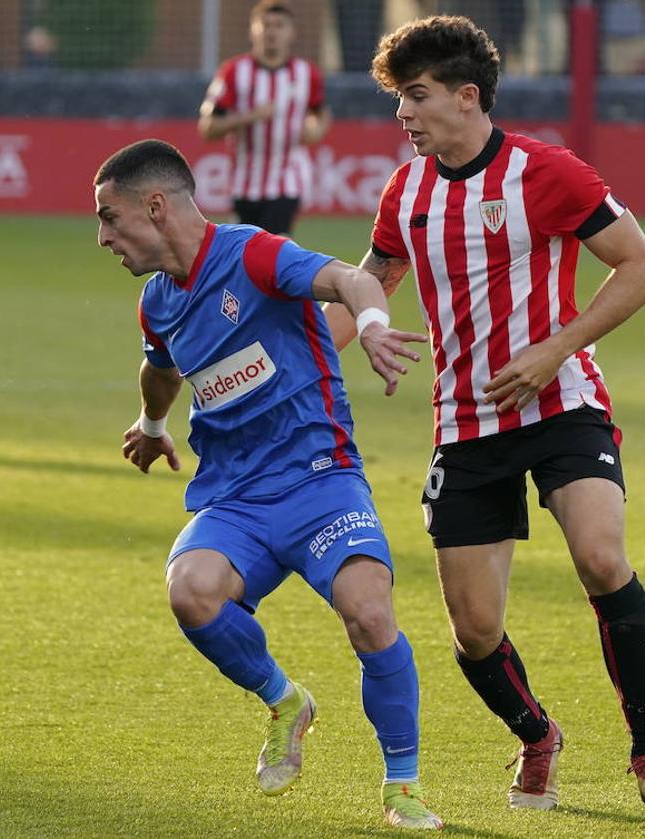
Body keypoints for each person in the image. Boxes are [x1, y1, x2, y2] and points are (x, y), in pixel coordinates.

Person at [323, 16, 645, 823]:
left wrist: (550, 350)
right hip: (465, 422)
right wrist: (330, 351)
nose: (404, 115)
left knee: (602, 556)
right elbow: (368, 285)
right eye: (398, 100)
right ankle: (537, 734)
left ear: (468, 97)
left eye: (416, 97)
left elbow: (643, 268)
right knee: (474, 629)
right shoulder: (406, 191)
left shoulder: (548, 171)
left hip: (562, 401)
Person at [96, 138, 442, 830]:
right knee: (189, 590)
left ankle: (401, 787)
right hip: (236, 499)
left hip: (320, 481)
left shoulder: (252, 254)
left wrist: (371, 327)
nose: (103, 236)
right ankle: (286, 700)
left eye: (110, 217)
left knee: (369, 610)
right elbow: (161, 367)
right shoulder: (157, 303)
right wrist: (152, 421)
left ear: (155, 207)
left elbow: (351, 279)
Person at [198, 0, 331, 235]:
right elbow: (208, 126)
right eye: (265, 25)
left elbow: (320, 113)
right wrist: (248, 117)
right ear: (253, 30)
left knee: (275, 244)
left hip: (287, 178)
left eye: (279, 25)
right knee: (246, 250)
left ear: (291, 32)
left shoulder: (306, 74)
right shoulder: (233, 72)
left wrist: (314, 129)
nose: (272, 31)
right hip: (245, 181)